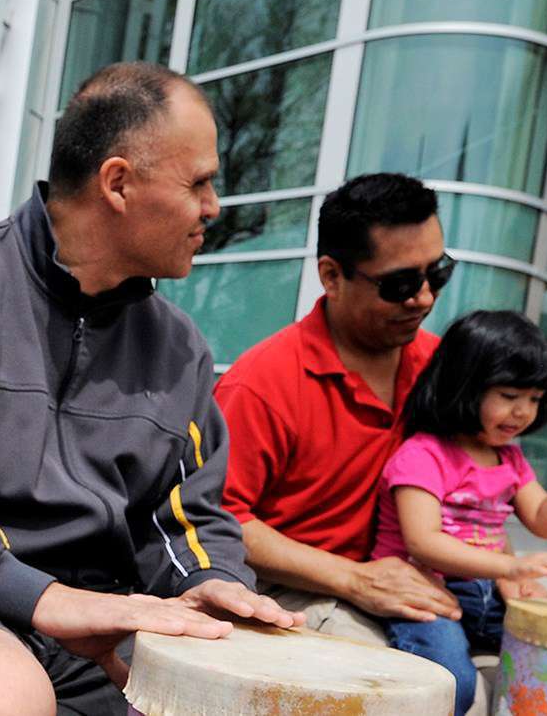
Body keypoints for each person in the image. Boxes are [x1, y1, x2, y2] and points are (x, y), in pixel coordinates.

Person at [0, 62, 299, 716]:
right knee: (0, 694)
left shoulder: (179, 348)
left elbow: (187, 518)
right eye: (199, 182)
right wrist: (35, 595)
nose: (213, 207)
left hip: (87, 627)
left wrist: (212, 582)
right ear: (118, 183)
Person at [217, 174, 515, 712]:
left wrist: (509, 568)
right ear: (331, 276)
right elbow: (222, 522)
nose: (425, 297)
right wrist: (355, 579)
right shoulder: (261, 383)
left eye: (438, 272)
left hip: (418, 577)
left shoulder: (443, 367)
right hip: (299, 589)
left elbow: (485, 476)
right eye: (400, 284)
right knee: (418, 691)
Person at [370, 310, 547, 715]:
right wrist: (511, 567)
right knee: (453, 681)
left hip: (489, 595)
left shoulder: (509, 459)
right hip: (425, 593)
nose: (523, 411)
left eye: (534, 399)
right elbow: (423, 541)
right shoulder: (423, 454)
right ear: (464, 384)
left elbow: (546, 520)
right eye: (509, 396)